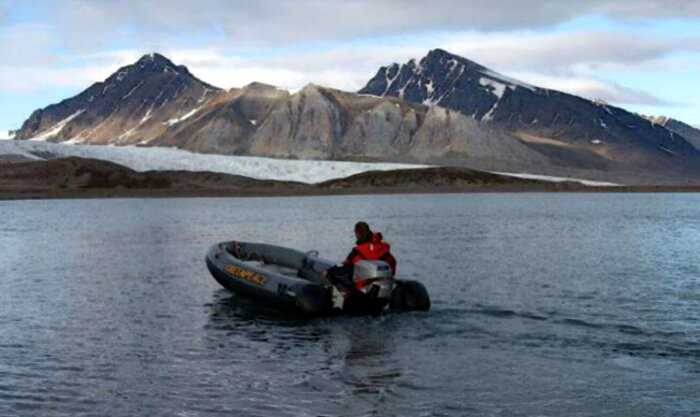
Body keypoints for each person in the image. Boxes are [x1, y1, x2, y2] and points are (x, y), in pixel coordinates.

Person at [324, 222, 396, 294]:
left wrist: (329, 271)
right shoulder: (383, 248)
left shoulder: (357, 251)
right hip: (385, 292)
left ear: (357, 234)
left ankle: (346, 298)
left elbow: (345, 264)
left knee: (333, 274)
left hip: (362, 293)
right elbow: (392, 265)